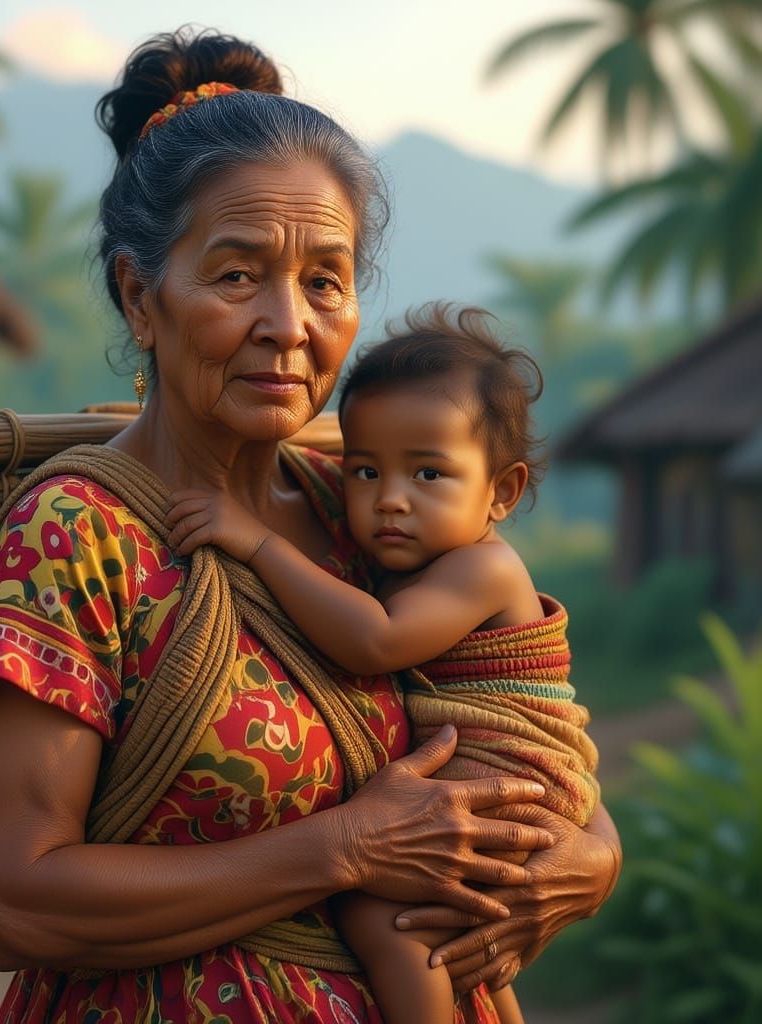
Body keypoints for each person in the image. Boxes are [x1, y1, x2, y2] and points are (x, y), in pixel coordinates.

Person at [0, 28, 621, 1024]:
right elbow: (14, 895)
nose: (288, 323)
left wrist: (591, 856)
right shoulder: (76, 535)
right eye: (235, 276)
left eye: (324, 279)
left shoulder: (363, 504)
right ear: (141, 298)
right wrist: (345, 847)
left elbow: (514, 709)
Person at [165, 304, 600, 1024]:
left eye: (429, 473)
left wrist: (258, 544)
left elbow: (375, 642)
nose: (390, 500)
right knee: (460, 940)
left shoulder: (482, 569)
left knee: (384, 920)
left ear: (502, 492)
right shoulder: (393, 548)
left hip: (516, 783)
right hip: (497, 778)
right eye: (365, 470)